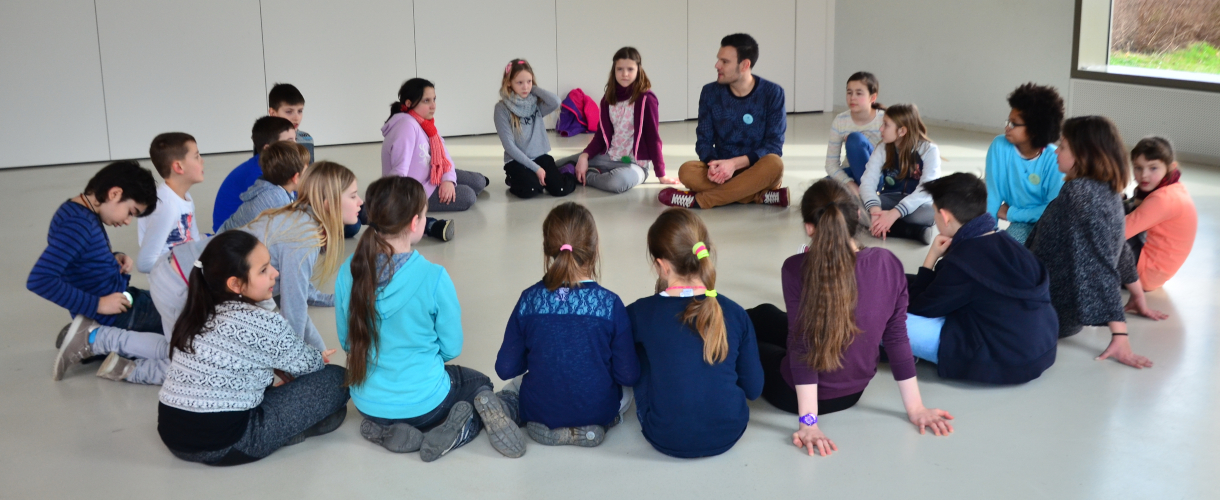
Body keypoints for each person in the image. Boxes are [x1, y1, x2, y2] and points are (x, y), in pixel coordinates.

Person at [748, 179, 952, 457]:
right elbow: (896, 337)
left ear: (809, 228)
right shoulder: (888, 263)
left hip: (797, 394)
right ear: (857, 215)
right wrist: (916, 408)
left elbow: (801, 348)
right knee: (765, 314)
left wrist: (809, 422)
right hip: (852, 392)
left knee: (747, 342)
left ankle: (705, 323)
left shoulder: (796, 268)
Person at [335, 176, 524, 461]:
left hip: (368, 403)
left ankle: (387, 430)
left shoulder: (348, 271)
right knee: (479, 383)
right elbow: (452, 347)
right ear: (415, 223)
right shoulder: (433, 277)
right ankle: (459, 430)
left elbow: (348, 342)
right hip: (426, 406)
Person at [157, 231, 349, 466]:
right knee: (338, 378)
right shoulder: (262, 322)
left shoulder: (196, 314)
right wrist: (317, 357)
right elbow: (310, 367)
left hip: (173, 435)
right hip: (229, 443)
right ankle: (286, 433)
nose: (275, 273)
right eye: (263, 270)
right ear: (235, 283)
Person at [494, 202, 639, 448]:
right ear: (594, 250)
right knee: (628, 392)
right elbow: (627, 374)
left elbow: (505, 368)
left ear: (547, 250)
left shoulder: (529, 299)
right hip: (598, 409)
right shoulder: (610, 304)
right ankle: (598, 426)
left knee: (514, 386)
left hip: (540, 410)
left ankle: (517, 415)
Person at [627, 208, 763, 458]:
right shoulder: (735, 313)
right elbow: (754, 389)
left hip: (663, 435)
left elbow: (625, 369)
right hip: (730, 430)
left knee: (640, 346)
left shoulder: (640, 312)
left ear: (661, 265)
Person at [1026, 116, 1154, 368]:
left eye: (1062, 146)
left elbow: (1098, 262)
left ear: (1083, 154)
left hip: (1043, 308)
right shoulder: (1107, 189)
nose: (1056, 152)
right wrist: (1137, 294)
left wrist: (1119, 333)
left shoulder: (1080, 193)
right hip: (1050, 303)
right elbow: (1118, 246)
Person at [29, 161, 173, 384]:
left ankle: (83, 333)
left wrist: (113, 257)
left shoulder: (77, 212)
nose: (126, 221)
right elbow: (41, 279)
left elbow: (79, 259)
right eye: (130, 212)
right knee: (188, 327)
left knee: (176, 309)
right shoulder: (77, 225)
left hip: (121, 301)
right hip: (117, 315)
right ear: (115, 193)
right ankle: (92, 337)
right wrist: (97, 305)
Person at [906, 173, 1058, 384]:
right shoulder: (1009, 243)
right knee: (906, 283)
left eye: (935, 214)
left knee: (885, 320)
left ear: (945, 216)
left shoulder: (963, 261)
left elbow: (919, 308)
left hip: (1002, 360)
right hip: (1041, 348)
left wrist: (930, 258)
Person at [242, 161, 362, 350]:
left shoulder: (303, 221)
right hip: (189, 280)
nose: (360, 202)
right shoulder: (304, 237)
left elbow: (294, 295)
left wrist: (318, 351)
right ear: (328, 204)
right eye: (353, 196)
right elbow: (293, 309)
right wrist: (298, 359)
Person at [661, 33, 788, 209]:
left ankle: (700, 201)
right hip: (720, 170)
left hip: (756, 168)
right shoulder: (710, 92)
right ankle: (758, 195)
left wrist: (734, 164)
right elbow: (704, 141)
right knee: (686, 171)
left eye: (725, 62)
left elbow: (774, 146)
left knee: (775, 164)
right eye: (718, 60)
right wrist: (714, 165)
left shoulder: (773, 93)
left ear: (745, 65)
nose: (717, 65)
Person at [383, 77, 490, 241]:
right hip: (418, 190)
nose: (433, 106)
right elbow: (399, 173)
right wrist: (407, 205)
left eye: (434, 99)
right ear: (409, 103)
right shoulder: (406, 126)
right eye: (426, 100)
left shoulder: (426, 124)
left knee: (478, 182)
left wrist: (448, 180)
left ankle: (457, 182)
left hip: (433, 173)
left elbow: (445, 155)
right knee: (468, 196)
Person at [569, 47, 675, 193]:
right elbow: (601, 136)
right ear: (614, 71)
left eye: (630, 69)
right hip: (610, 156)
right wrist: (584, 156)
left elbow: (653, 138)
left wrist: (661, 174)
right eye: (620, 69)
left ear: (638, 70)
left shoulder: (646, 99)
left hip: (636, 164)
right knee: (561, 163)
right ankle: (578, 169)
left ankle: (583, 176)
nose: (624, 74)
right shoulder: (607, 100)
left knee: (616, 183)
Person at [985, 83, 1066, 244]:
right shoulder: (999, 146)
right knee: (996, 246)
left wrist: (1012, 214)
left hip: (1047, 224)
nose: (1007, 127)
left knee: (1017, 252)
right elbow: (992, 196)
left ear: (1035, 129)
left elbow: (1052, 211)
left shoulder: (1055, 159)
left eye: (1014, 124)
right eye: (1008, 121)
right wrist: (987, 233)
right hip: (1020, 220)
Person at [859, 103, 941, 244]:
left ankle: (885, 225)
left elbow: (926, 190)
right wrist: (874, 210)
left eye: (886, 125)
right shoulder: (883, 148)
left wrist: (895, 213)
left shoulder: (929, 150)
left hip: (918, 206)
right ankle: (915, 232)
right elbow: (867, 182)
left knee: (931, 214)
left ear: (902, 131)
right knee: (854, 207)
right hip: (890, 199)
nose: (881, 129)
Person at [494, 59, 575, 199]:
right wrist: (536, 168)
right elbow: (509, 146)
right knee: (531, 189)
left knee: (560, 189)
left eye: (529, 81)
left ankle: (566, 170)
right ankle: (515, 178)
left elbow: (555, 102)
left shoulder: (534, 104)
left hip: (540, 157)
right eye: (520, 82)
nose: (525, 87)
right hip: (517, 160)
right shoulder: (501, 109)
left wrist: (534, 88)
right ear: (509, 83)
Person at [1124, 137, 1197, 292]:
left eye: (1153, 168)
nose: (1144, 175)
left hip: (1142, 274)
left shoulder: (1162, 199)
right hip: (1154, 273)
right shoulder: (1174, 188)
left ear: (1171, 167)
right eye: (1138, 167)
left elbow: (1117, 233)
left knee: (1102, 222)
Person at [212, 116, 295, 232]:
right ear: (268, 148)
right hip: (230, 236)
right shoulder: (257, 175)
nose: (296, 146)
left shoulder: (272, 167)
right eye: (289, 142)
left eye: (295, 140)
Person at [136, 133, 204, 274]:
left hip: (188, 273)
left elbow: (196, 242)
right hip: (172, 287)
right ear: (178, 167)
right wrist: (188, 264)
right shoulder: (167, 206)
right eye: (196, 156)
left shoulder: (184, 196)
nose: (202, 161)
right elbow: (145, 263)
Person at [218, 141, 307, 233]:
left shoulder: (269, 184)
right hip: (231, 244)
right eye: (306, 171)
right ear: (295, 178)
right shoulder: (277, 199)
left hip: (226, 237)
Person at [825, 72, 885, 194]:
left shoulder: (884, 119)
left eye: (859, 93)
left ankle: (867, 193)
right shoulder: (840, 120)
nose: (852, 97)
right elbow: (831, 165)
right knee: (820, 189)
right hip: (851, 173)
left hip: (877, 176)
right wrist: (849, 183)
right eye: (849, 92)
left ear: (872, 98)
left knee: (855, 140)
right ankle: (859, 194)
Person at [267, 83, 314, 163]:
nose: (296, 117)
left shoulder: (306, 138)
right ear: (273, 113)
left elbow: (310, 172)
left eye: (300, 111)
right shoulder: (265, 138)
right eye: (289, 111)